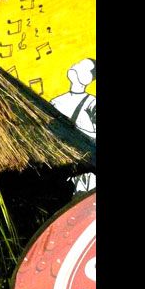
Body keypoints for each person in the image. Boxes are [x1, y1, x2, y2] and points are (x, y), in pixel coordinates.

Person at [50, 58, 96, 193]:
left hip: (86, 167)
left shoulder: (92, 103)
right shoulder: (55, 102)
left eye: (83, 67)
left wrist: (75, 132)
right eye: (77, 64)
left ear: (88, 77)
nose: (76, 66)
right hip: (62, 164)